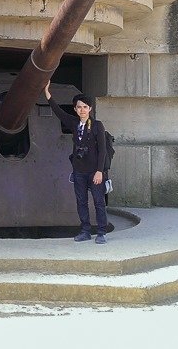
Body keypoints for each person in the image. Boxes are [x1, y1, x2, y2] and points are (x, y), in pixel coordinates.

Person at [44, 81, 109, 245]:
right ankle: (85, 230)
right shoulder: (74, 123)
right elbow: (58, 112)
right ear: (75, 109)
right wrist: (47, 93)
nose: (82, 110)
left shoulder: (97, 126)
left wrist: (100, 171)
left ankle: (101, 232)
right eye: (79, 107)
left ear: (90, 109)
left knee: (99, 202)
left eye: (85, 107)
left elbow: (102, 150)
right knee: (81, 202)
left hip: (95, 171)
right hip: (79, 171)